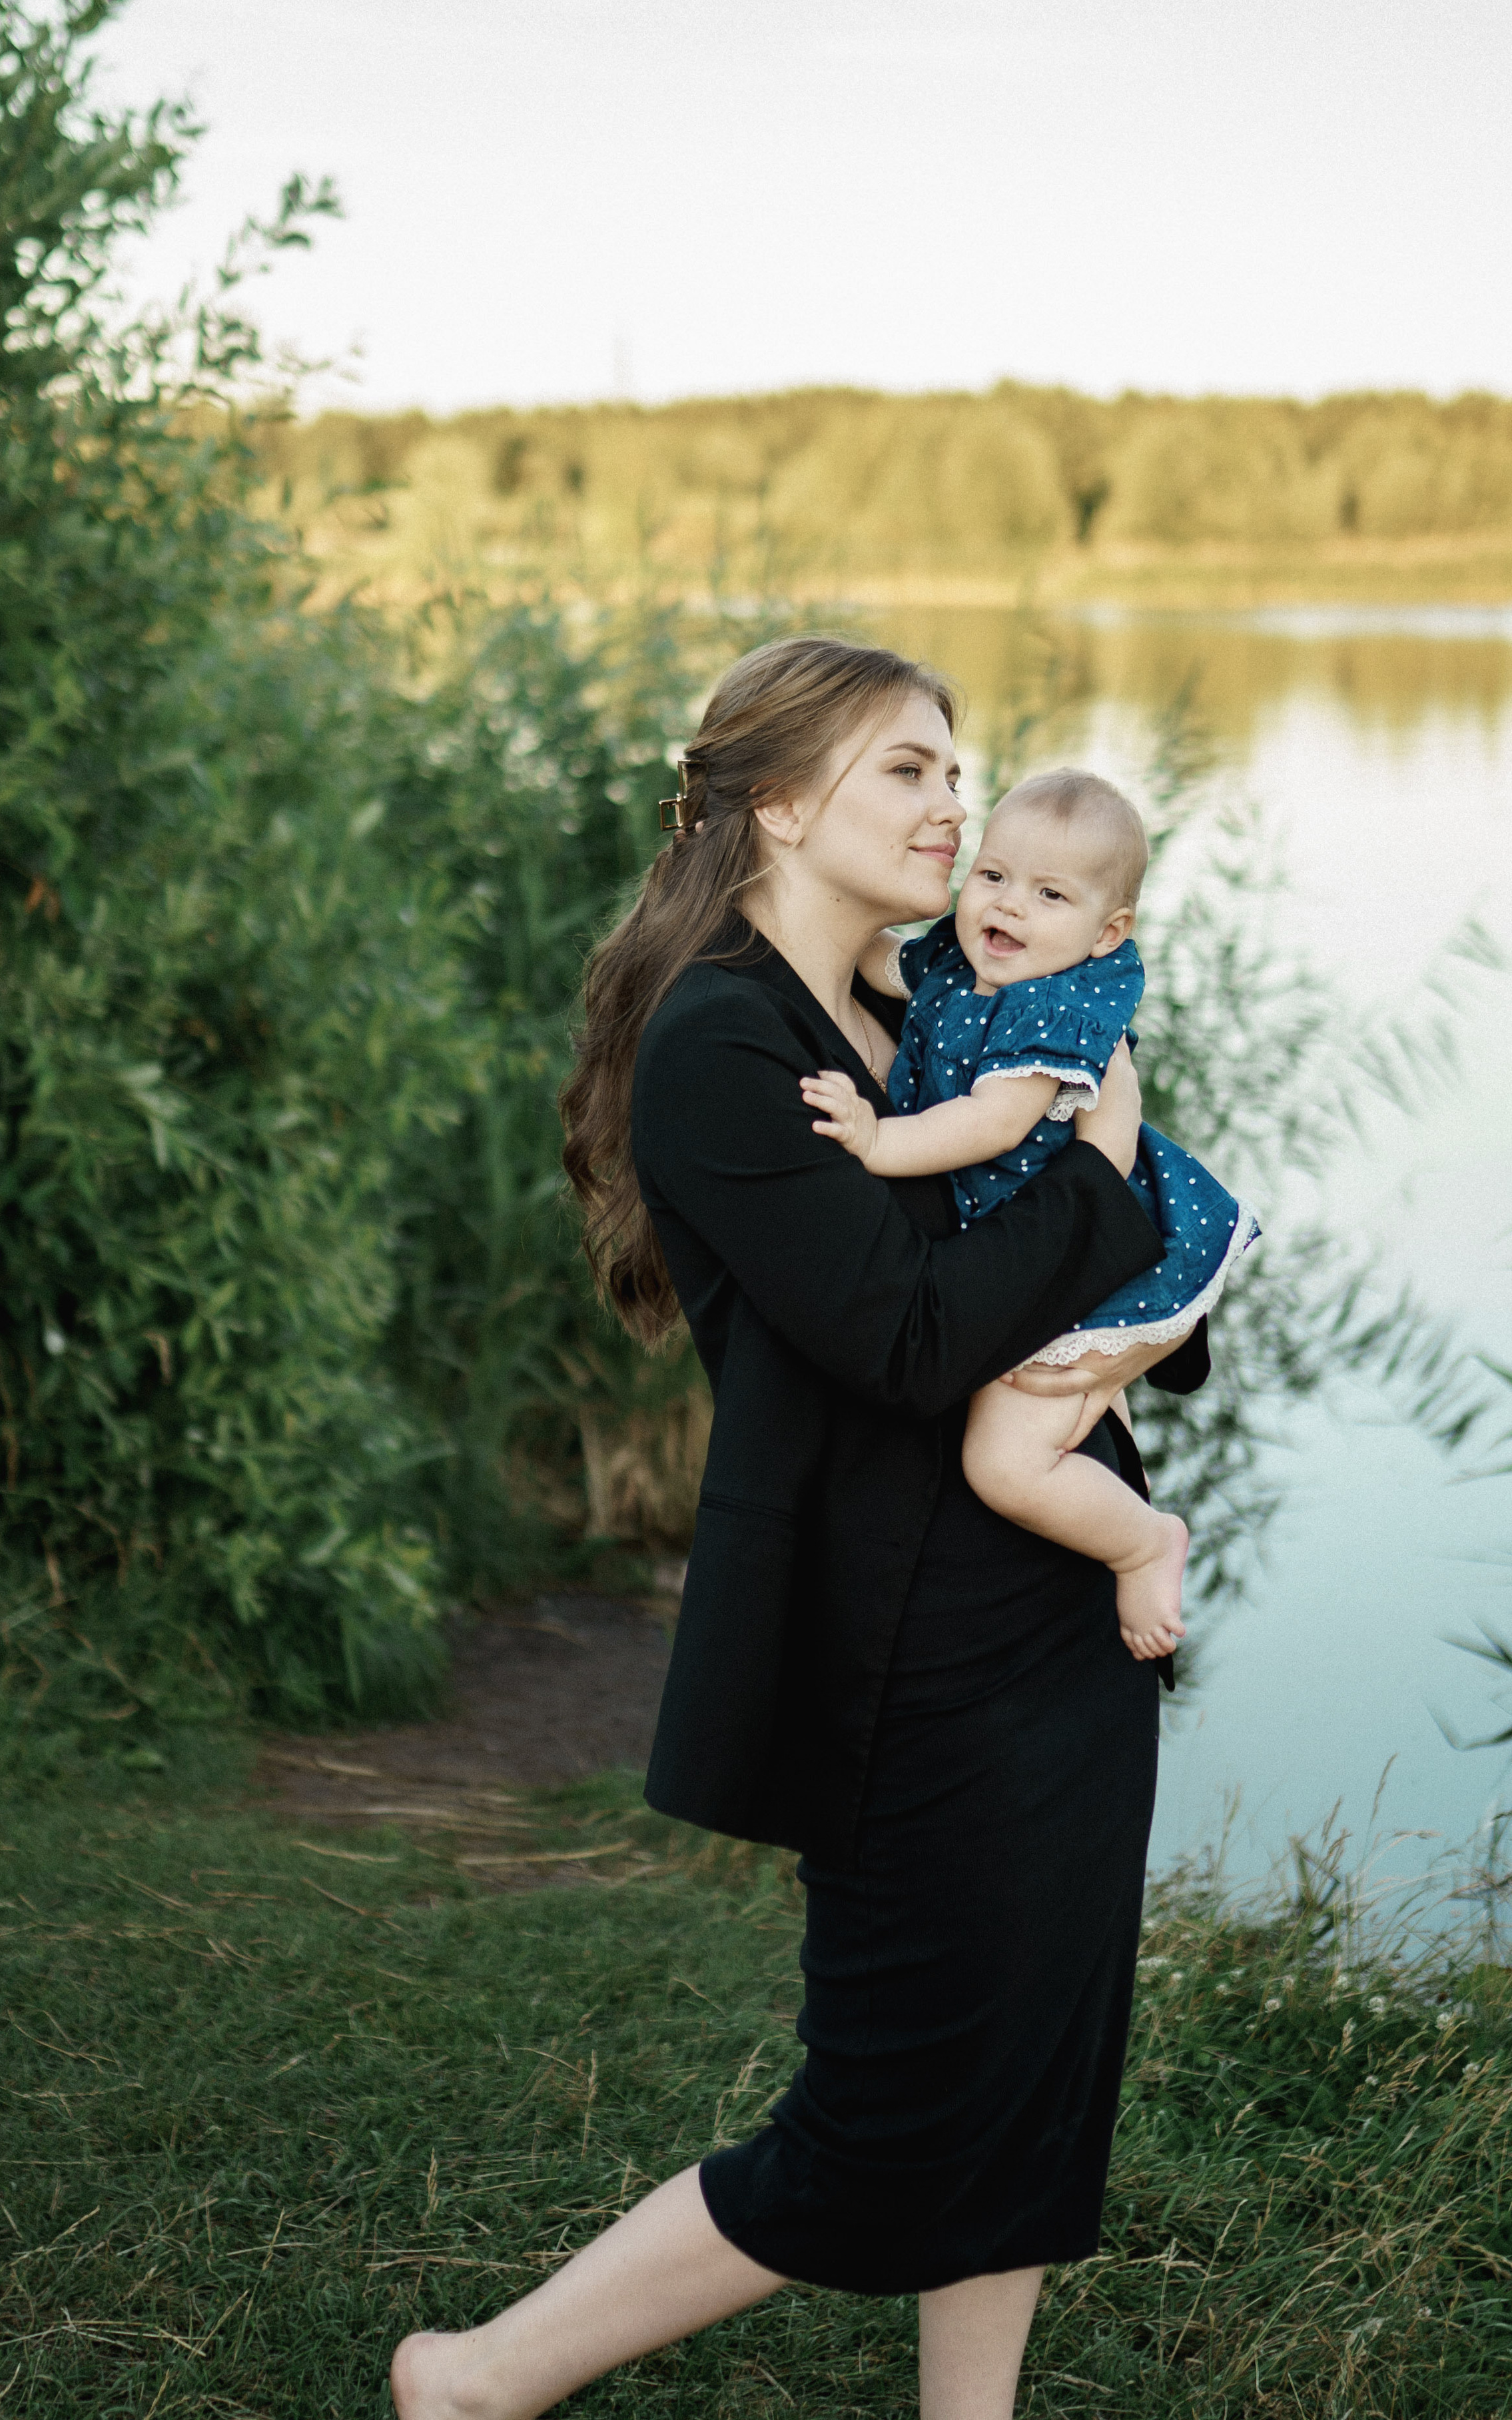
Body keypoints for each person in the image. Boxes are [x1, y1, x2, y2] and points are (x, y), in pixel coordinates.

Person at [392, 636, 1210, 2420]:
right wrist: (1099, 1171)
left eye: (955, 768)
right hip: (902, 1651)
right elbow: (910, 1341)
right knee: (888, 2120)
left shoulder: (930, 1013)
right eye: (909, 769)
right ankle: (476, 2383)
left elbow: (1111, 1285)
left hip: (1049, 1617)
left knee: (1036, 2077)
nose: (955, 803)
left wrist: (1117, 1211)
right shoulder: (722, 1041)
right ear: (778, 804)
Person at [801, 767, 1258, 1666]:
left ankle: (1140, 1542)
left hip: (1072, 1267)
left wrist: (874, 1141)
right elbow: (876, 957)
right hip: (1026, 1255)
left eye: (1050, 895)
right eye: (995, 876)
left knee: (1004, 1466)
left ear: (1108, 931)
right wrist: (816, 894)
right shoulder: (963, 962)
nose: (1008, 906)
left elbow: (993, 1122)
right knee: (1053, 1413)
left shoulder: (1056, 1006)